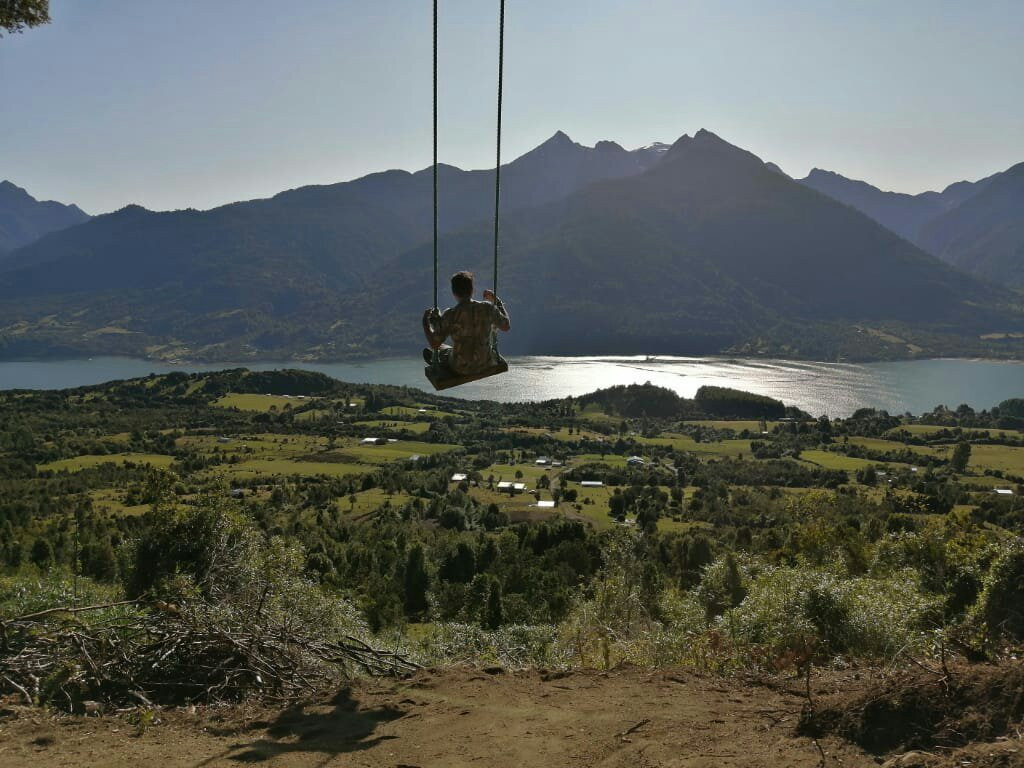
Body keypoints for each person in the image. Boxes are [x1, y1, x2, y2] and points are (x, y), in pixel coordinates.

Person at [423, 270, 511, 375]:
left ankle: (436, 357)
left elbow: (434, 343)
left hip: (460, 367)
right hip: (486, 363)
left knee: (439, 350)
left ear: (454, 292)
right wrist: (498, 302)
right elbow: (506, 327)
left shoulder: (451, 314)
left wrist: (425, 322)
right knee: (446, 349)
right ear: (472, 290)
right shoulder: (488, 308)